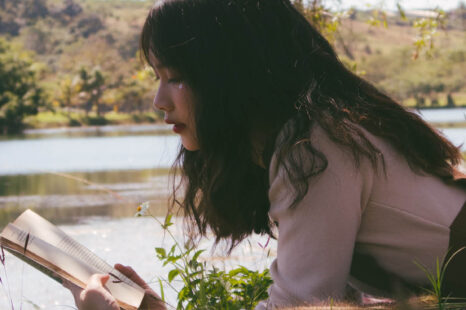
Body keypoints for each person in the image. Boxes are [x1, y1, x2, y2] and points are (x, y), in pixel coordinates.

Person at [64, 0, 466, 309]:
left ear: (229, 74)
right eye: (158, 78)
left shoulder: (314, 147)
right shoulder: (306, 135)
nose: (158, 101)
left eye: (177, 78)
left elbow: (302, 305)